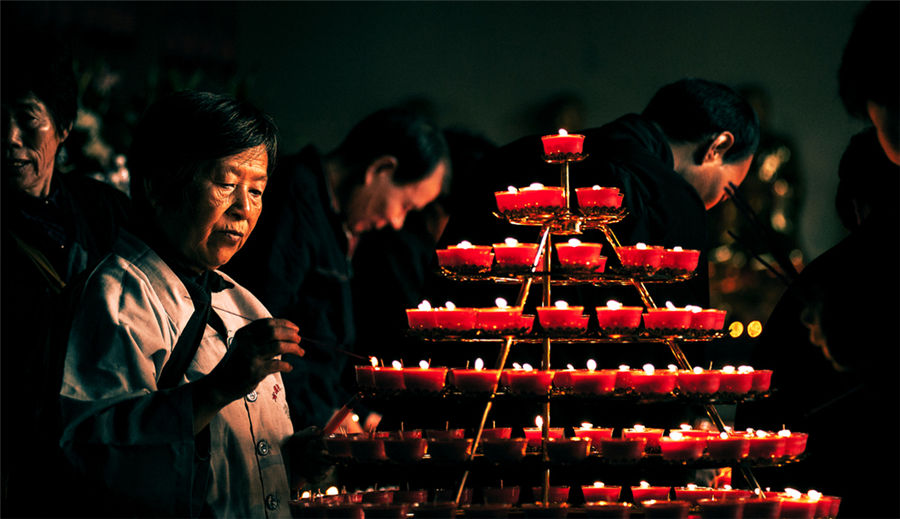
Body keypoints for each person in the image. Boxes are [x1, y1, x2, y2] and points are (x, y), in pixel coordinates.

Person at [57, 91, 326, 517]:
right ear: (159, 183)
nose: (243, 209)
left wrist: (297, 459)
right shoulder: (116, 296)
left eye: (256, 190)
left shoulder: (246, 305)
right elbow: (93, 452)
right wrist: (217, 388)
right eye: (226, 184)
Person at [224, 107, 450, 431]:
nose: (398, 222)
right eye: (405, 206)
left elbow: (324, 343)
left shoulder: (335, 217)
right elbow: (262, 328)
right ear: (380, 169)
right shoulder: (294, 198)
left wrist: (354, 413)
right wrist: (323, 417)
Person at [0, 35, 130, 515]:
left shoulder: (105, 210)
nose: (8, 136)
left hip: (102, 455)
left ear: (65, 125)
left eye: (26, 118)